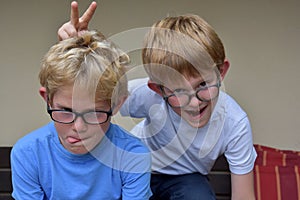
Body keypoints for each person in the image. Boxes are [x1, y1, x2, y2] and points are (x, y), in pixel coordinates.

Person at [58, 2, 257, 199]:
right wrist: (75, 53)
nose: (195, 103)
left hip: (185, 181)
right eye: (178, 91)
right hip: (133, 169)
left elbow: (244, 196)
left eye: (203, 85)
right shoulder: (147, 95)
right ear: (158, 90)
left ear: (221, 72)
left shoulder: (234, 122)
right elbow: (91, 100)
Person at [10, 30, 152, 200]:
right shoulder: (28, 153)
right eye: (65, 111)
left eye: (93, 113)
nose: (78, 127)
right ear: (47, 100)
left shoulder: (133, 155)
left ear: (117, 105)